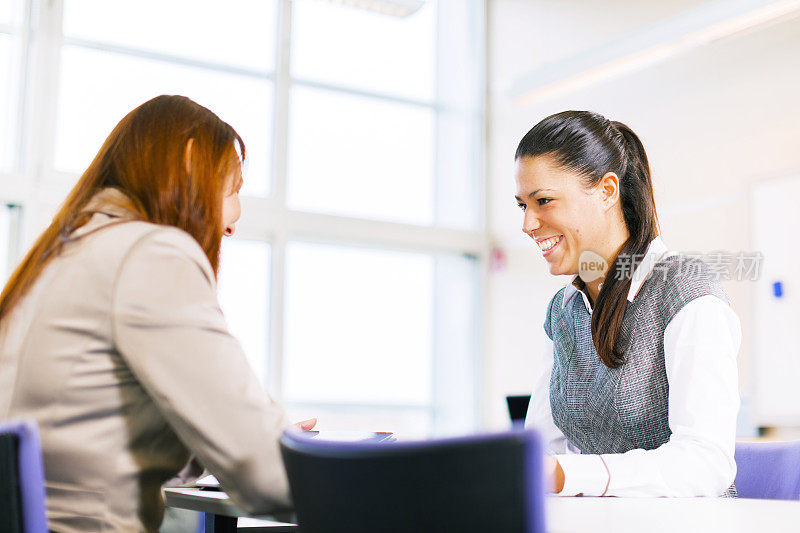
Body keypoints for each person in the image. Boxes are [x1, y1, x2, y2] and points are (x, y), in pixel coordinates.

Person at [0, 95, 314, 531]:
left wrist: (233, 434)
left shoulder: (56, 257)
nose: (231, 223)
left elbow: (93, 442)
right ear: (190, 161)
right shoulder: (150, 253)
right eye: (233, 190)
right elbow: (263, 474)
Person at [516, 110, 740, 497]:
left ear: (606, 191)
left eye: (544, 201)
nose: (528, 224)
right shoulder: (565, 309)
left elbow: (706, 463)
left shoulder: (684, 290)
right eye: (523, 205)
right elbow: (544, 450)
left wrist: (572, 476)